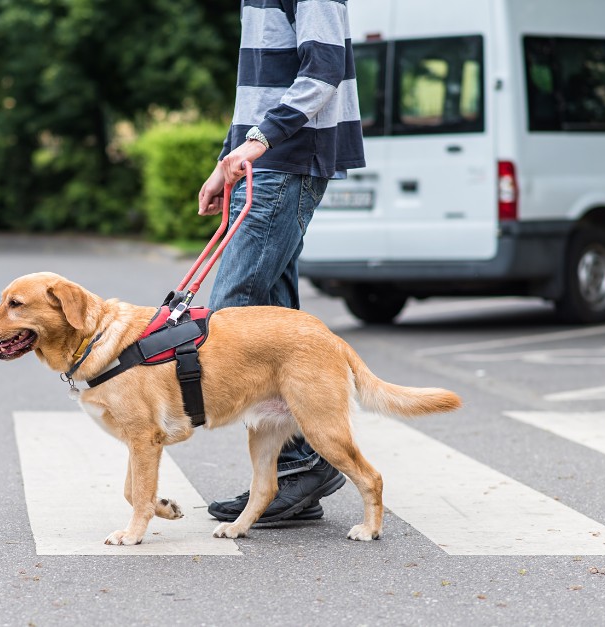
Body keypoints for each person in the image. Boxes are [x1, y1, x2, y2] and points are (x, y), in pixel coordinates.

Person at [198, 0, 366, 523]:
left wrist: (259, 142)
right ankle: (296, 472)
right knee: (275, 315)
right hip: (264, 161)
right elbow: (255, 93)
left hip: (285, 160)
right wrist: (226, 161)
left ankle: (301, 467)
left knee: (230, 317)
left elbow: (325, 69)